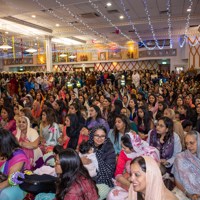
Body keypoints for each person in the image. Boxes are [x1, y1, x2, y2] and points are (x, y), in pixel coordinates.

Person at [107, 133, 159, 200]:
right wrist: (131, 186)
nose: (122, 149)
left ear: (133, 147)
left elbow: (152, 175)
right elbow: (118, 174)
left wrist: (139, 187)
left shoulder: (148, 153)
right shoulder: (123, 153)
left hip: (147, 184)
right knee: (112, 195)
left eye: (124, 148)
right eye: (121, 146)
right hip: (128, 183)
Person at [82, 125, 116, 199]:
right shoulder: (88, 145)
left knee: (94, 197)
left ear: (105, 137)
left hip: (104, 181)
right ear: (92, 135)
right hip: (86, 177)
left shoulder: (109, 149)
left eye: (102, 136)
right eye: (97, 135)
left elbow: (108, 173)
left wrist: (94, 158)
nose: (99, 139)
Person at [0, 128, 30, 200]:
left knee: (4, 195)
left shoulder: (18, 157)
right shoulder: (5, 152)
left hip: (16, 185)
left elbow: (11, 181)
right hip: (3, 179)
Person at [172, 131, 200, 200]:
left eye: (191, 143)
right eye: (187, 143)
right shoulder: (180, 158)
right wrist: (188, 194)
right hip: (183, 193)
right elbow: (177, 180)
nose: (189, 146)